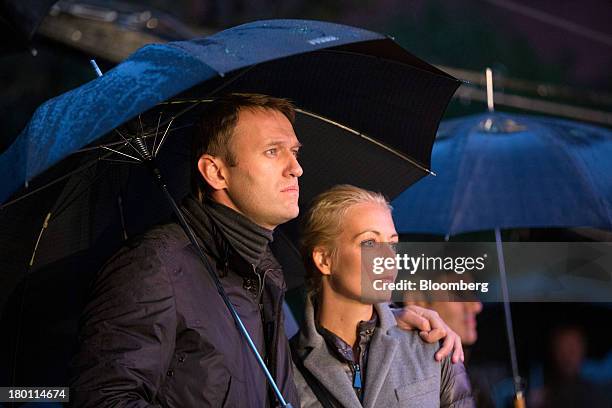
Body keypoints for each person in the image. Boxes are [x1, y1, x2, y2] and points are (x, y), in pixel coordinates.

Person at [71, 94, 463, 407]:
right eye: (274, 151)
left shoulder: (263, 275)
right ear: (217, 172)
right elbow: (103, 398)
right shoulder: (156, 264)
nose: (296, 168)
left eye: (295, 151)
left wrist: (389, 320)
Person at [292, 185, 475, 407]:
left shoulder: (434, 345)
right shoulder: (284, 367)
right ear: (324, 260)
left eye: (392, 244)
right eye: (369, 243)